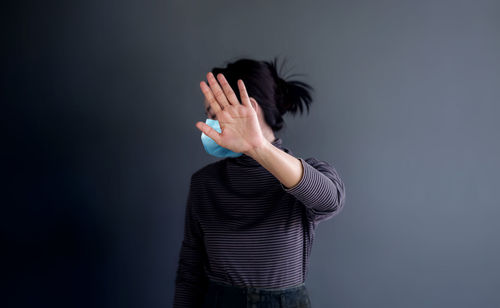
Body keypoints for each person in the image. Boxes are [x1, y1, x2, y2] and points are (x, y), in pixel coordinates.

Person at [173, 57, 346, 307]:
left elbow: (330, 202)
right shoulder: (204, 183)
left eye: (216, 114)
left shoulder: (308, 174)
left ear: (251, 109)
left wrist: (258, 147)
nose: (209, 126)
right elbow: (190, 270)